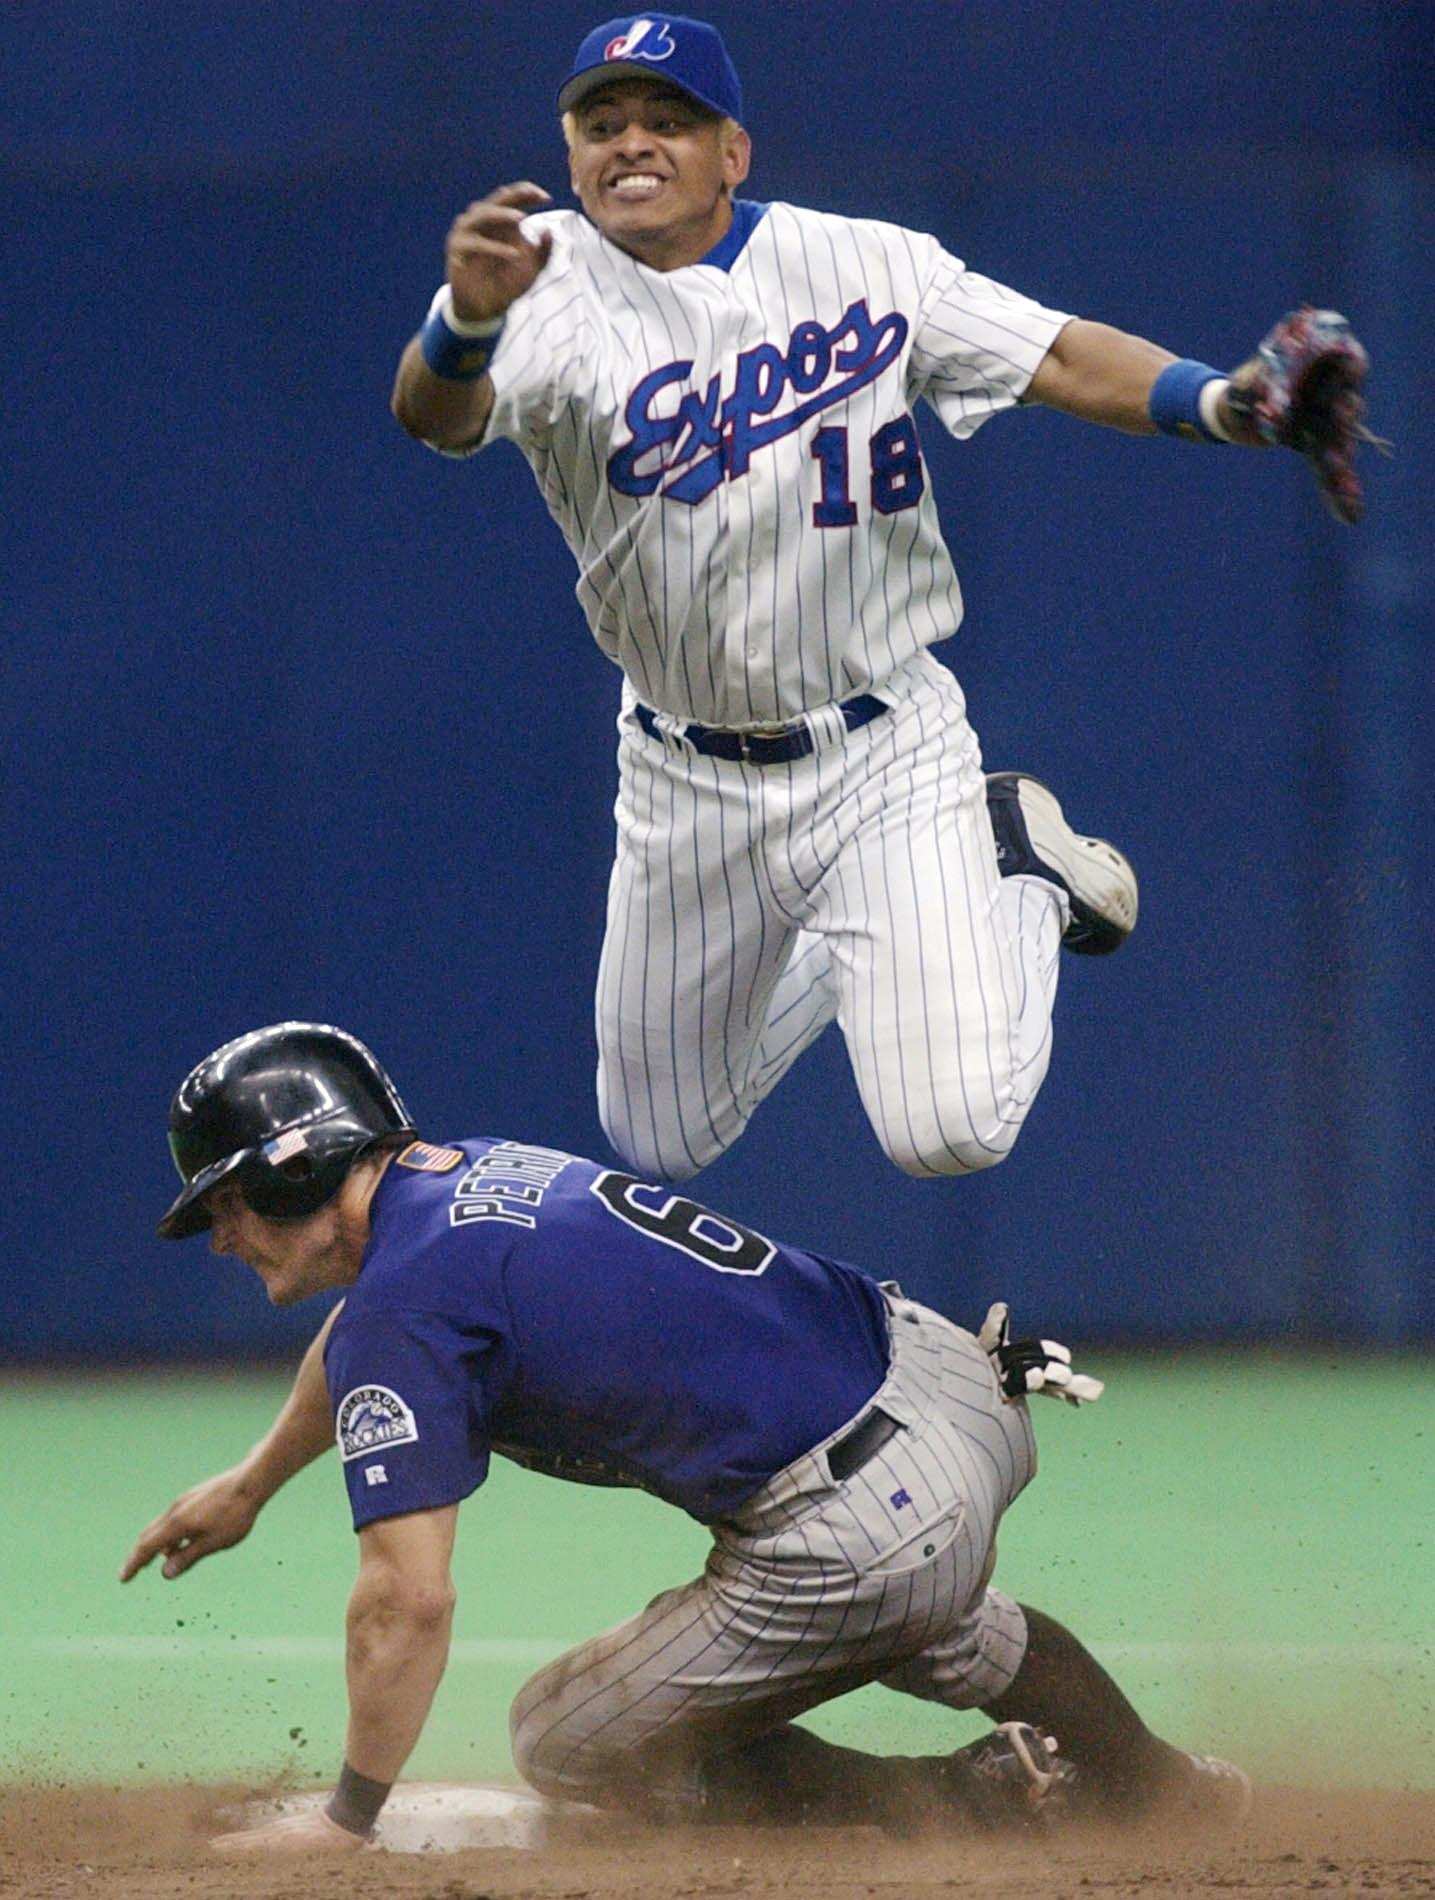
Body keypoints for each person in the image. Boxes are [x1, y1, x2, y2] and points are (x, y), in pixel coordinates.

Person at [388, 14, 1370, 1186]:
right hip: (681, 773)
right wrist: (466, 320)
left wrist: (1219, 401)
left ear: (732, 153)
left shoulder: (869, 264)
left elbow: (1054, 355)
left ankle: (1012, 870)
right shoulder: (541, 280)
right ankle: (902, 929)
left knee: (947, 1128)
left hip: (879, 749)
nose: (632, 144)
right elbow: (434, 419)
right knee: (660, 1135)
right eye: (602, 125)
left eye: (667, 120)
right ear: (569, 154)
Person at [122, 1022, 1252, 1854]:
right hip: (950, 1383)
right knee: (919, 1613)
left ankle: (954, 1803)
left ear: (297, 1163)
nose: (218, 1237)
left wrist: (347, 1820)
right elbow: (362, 1335)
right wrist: (253, 1482)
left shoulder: (402, 1307)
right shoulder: (460, 1180)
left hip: (868, 1513)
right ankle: (1162, 1784)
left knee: (563, 1736)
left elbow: (406, 1602)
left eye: (223, 1202)